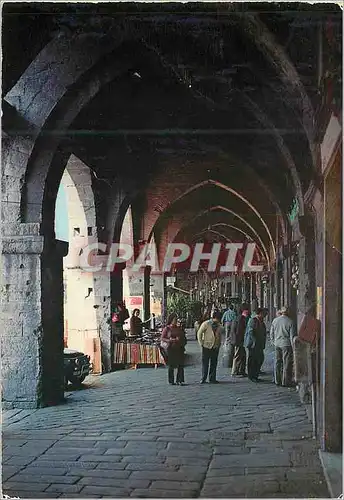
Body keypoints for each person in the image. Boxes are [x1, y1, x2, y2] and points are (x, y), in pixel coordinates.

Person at [270, 306, 296, 387]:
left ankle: (277, 380)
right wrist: (293, 347)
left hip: (277, 343)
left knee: (277, 362)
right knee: (286, 363)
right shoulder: (290, 321)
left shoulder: (275, 320)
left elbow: (272, 333)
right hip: (286, 344)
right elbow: (292, 336)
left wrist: (273, 341)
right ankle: (285, 381)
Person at [197, 311, 223, 384]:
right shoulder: (206, 323)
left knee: (213, 363)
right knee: (205, 363)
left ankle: (212, 378)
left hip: (215, 346)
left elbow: (219, 335)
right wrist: (201, 343)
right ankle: (203, 378)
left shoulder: (219, 326)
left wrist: (219, 344)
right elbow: (199, 333)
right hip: (206, 346)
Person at [161, 314, 187, 385]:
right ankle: (171, 380)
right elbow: (162, 338)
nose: (176, 321)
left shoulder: (179, 328)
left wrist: (181, 340)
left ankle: (180, 380)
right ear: (171, 320)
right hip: (171, 348)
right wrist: (170, 340)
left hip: (180, 348)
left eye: (176, 320)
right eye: (174, 320)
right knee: (171, 365)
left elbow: (183, 337)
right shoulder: (167, 328)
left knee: (180, 365)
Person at [244, 308, 266, 382]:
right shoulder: (253, 320)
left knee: (259, 359)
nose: (265, 315)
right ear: (259, 313)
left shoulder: (261, 321)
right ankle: (252, 376)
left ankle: (256, 374)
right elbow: (250, 332)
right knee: (252, 360)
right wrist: (254, 341)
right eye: (263, 313)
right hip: (253, 344)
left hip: (259, 344)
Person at [231, 306, 250, 377]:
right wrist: (241, 341)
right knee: (238, 355)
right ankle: (235, 371)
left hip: (238, 340)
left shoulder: (239, 318)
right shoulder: (240, 319)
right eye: (246, 311)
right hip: (238, 340)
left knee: (243, 355)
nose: (248, 312)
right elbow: (239, 331)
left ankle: (241, 370)